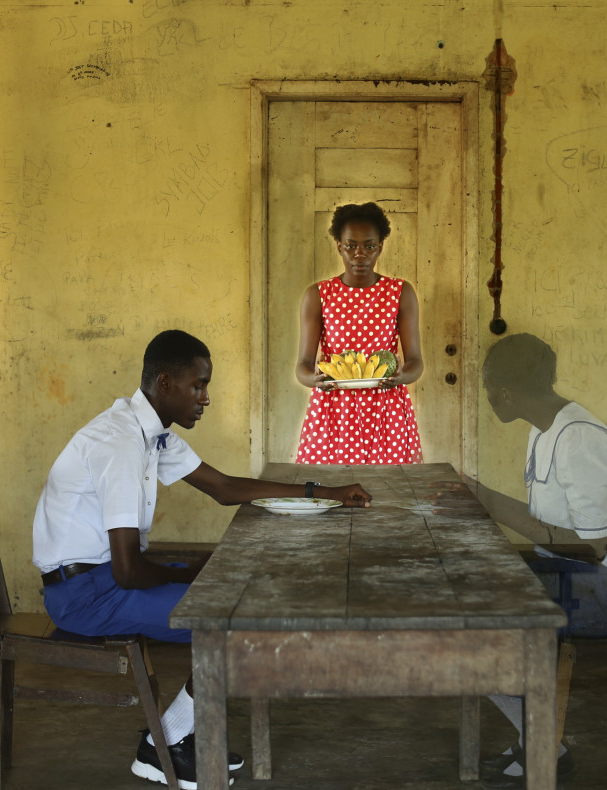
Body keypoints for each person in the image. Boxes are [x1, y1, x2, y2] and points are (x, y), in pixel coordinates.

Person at [32, 329, 372, 788]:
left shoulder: (149, 433)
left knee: (236, 595)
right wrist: (196, 571)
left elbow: (225, 488)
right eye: (199, 386)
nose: (206, 398)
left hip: (104, 581)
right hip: (86, 596)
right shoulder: (120, 444)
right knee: (234, 621)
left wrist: (323, 492)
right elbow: (130, 571)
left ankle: (175, 735)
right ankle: (160, 746)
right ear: (166, 383)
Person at [470, 333, 607, 786]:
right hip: (584, 577)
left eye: (487, 389)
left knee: (476, 633)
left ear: (504, 390)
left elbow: (591, 547)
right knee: (473, 607)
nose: (487, 398)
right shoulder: (545, 431)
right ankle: (540, 740)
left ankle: (543, 743)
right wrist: (480, 499)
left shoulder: (578, 438)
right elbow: (550, 525)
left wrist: (486, 502)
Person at [294, 202, 423, 464]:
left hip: (386, 408)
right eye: (351, 245)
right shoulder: (318, 296)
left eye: (369, 245)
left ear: (380, 247)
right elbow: (303, 366)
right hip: (333, 410)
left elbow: (416, 362)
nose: (360, 254)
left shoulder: (400, 292)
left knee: (389, 492)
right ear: (339, 246)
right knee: (330, 492)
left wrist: (401, 377)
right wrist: (314, 380)